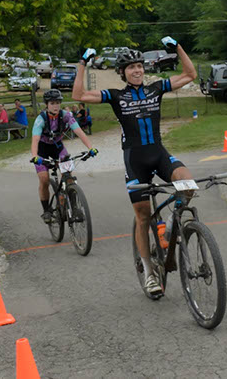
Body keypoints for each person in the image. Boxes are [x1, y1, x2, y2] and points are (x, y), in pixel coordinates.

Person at [72, 37, 197, 299]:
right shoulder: (116, 96)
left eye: (139, 66)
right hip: (135, 161)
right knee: (142, 216)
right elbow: (78, 95)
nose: (137, 70)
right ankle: (150, 272)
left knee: (187, 184)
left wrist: (176, 48)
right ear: (123, 73)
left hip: (159, 154)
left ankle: (173, 224)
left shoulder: (155, 89)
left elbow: (190, 74)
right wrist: (83, 63)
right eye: (131, 67)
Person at [30, 89, 98, 224]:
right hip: (42, 149)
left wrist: (90, 148)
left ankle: (74, 207)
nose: (55, 106)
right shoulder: (41, 119)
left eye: (58, 103)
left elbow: (79, 131)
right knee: (44, 179)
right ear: (47, 104)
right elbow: (35, 140)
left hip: (58, 147)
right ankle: (47, 211)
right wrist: (35, 156)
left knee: (68, 176)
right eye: (52, 103)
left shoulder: (66, 115)